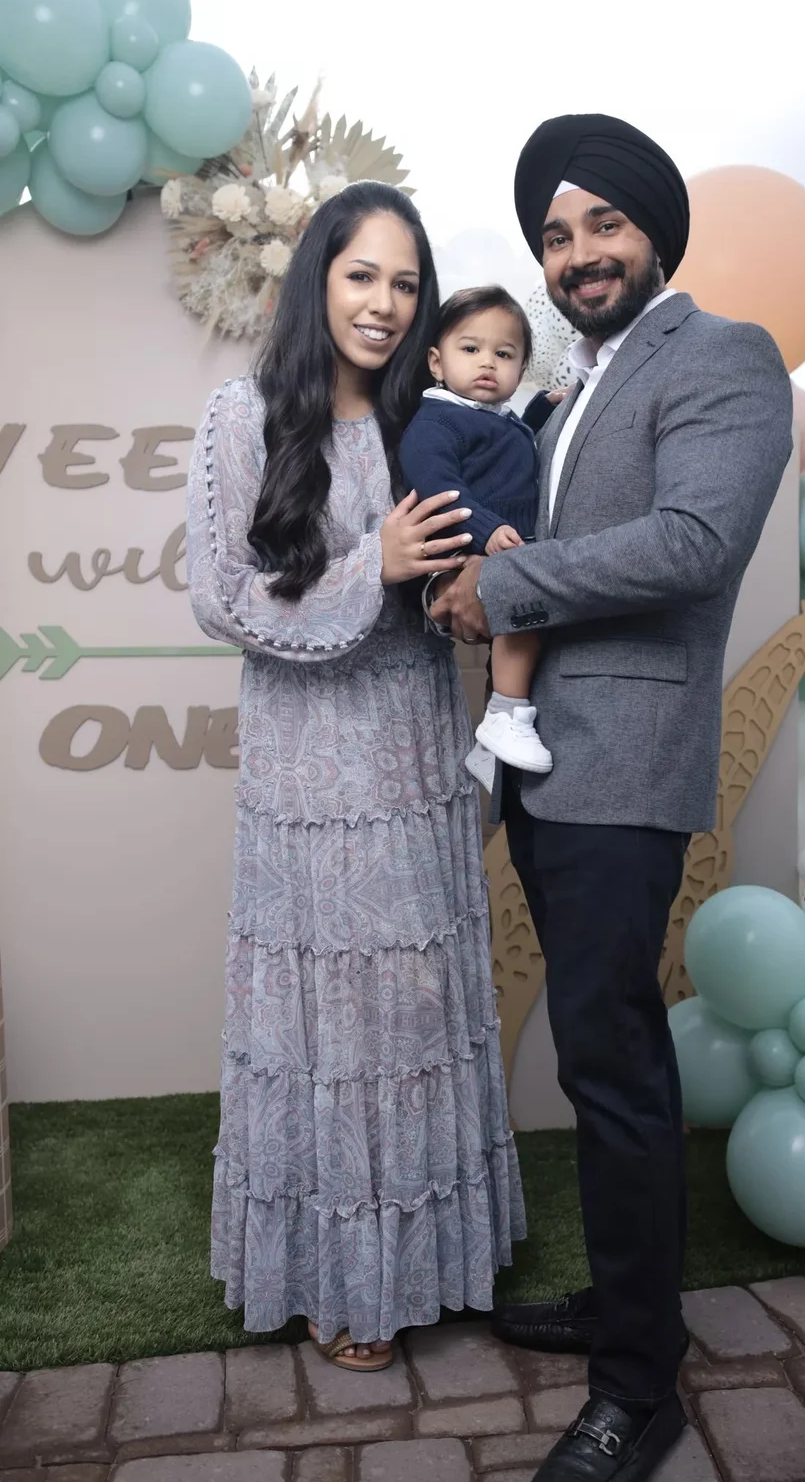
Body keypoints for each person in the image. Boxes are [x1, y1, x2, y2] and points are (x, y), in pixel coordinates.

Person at [431, 114, 793, 1481]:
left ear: (654, 233)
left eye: (603, 223)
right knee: (599, 1059)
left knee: (614, 1066)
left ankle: (639, 1389)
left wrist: (507, 584)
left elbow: (695, 544)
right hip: (549, 764)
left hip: (623, 766)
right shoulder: (563, 391)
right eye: (555, 235)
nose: (578, 253)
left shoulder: (722, 355)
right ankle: (626, 1306)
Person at [186, 181, 525, 1374]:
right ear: (317, 282)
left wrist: (471, 583)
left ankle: (430, 1262)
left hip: (414, 751)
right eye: (361, 276)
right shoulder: (243, 415)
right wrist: (368, 565)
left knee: (417, 1011)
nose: (383, 303)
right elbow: (222, 598)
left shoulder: (426, 421)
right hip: (306, 775)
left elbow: (469, 574)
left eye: (404, 283)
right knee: (326, 1022)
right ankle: (337, 1282)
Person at [400, 286, 554, 774]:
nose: (487, 362)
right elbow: (439, 487)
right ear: (437, 362)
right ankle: (506, 715)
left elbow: (511, 450)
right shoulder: (436, 422)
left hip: (500, 546)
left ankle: (491, 748)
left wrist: (541, 412)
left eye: (504, 354)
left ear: (520, 371)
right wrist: (485, 530)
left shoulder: (494, 420)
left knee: (530, 632)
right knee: (523, 620)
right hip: (464, 549)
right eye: (470, 349)